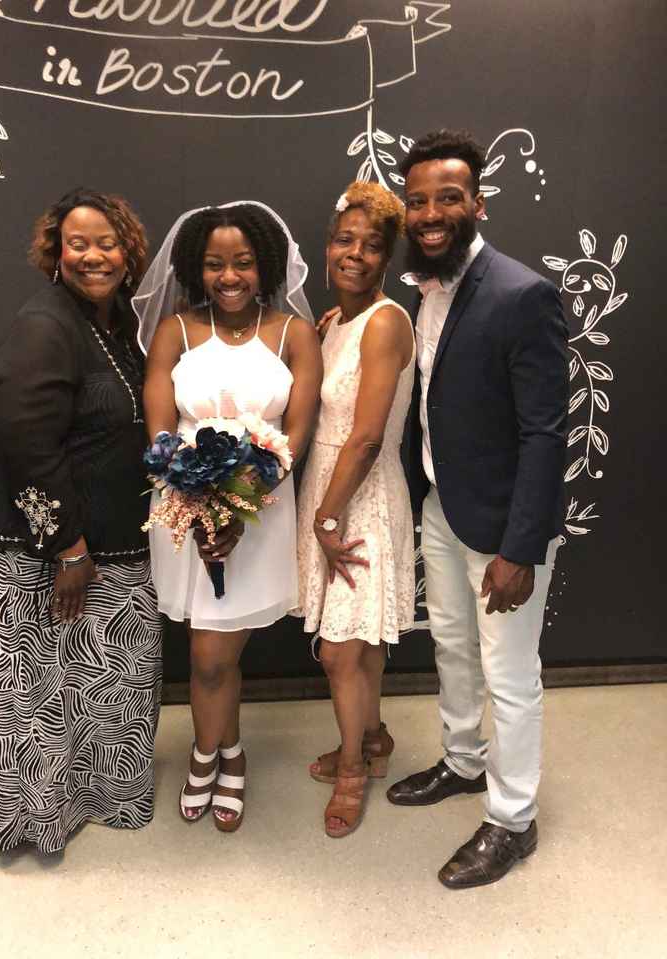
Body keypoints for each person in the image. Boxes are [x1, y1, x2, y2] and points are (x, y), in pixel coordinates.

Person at [388, 129, 569, 887]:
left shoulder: (520, 293)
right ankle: (464, 762)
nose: (431, 212)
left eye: (448, 198)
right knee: (453, 649)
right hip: (443, 505)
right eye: (419, 199)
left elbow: (545, 429)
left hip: (501, 530)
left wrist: (520, 547)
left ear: (477, 204)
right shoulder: (427, 288)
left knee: (509, 672)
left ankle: (513, 819)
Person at [0, 188, 161, 854]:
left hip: (105, 547)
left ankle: (102, 797)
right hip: (42, 554)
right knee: (40, 697)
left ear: (128, 250)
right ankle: (35, 822)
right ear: (56, 251)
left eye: (107, 242)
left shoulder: (107, 323)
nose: (93, 255)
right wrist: (70, 551)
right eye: (78, 243)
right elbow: (24, 440)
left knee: (96, 688)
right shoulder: (45, 323)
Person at [136, 201, 321, 832]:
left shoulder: (295, 332)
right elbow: (161, 434)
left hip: (261, 509)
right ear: (196, 268)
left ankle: (211, 752)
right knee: (209, 651)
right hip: (185, 508)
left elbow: (295, 433)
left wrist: (242, 502)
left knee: (217, 653)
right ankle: (223, 751)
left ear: (264, 263)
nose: (229, 276)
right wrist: (197, 499)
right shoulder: (176, 332)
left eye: (243, 262)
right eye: (215, 264)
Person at [295, 182, 415, 838]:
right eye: (346, 240)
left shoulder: (386, 322)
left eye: (372, 246)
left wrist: (328, 516)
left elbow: (366, 436)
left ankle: (351, 769)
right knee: (359, 644)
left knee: (341, 651)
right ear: (328, 247)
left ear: (386, 260)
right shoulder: (332, 322)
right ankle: (373, 737)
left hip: (359, 498)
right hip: (331, 491)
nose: (356, 254)